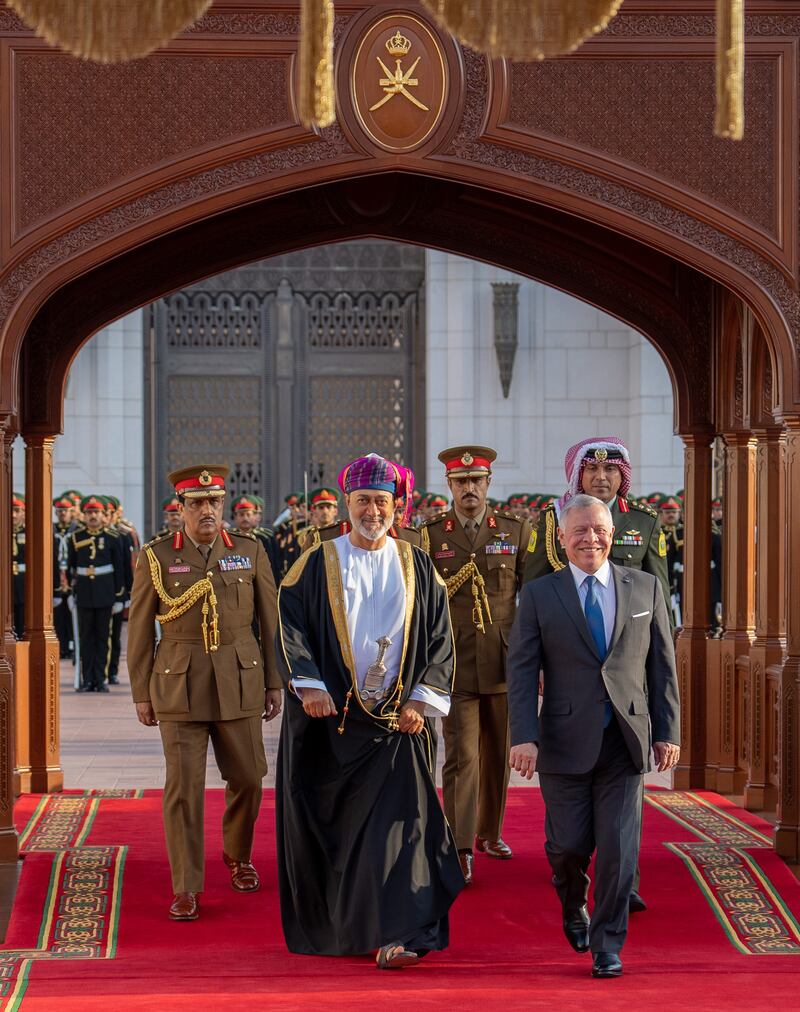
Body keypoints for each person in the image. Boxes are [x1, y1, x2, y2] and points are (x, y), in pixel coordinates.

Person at [276, 452, 463, 968]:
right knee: (344, 832)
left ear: (397, 507)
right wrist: (309, 685)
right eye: (364, 501)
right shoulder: (316, 560)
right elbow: (288, 624)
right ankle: (350, 926)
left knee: (402, 830)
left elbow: (441, 638)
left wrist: (423, 699)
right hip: (333, 724)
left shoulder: (417, 562)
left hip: (399, 723)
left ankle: (400, 934)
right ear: (347, 504)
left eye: (383, 501)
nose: (373, 511)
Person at [507, 494, 680, 979]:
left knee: (620, 850)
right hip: (562, 740)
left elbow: (663, 668)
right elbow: (521, 670)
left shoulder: (644, 587)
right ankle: (571, 903)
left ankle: (608, 944)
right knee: (568, 847)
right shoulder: (541, 594)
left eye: (599, 529)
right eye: (579, 531)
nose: (591, 539)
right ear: (562, 540)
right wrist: (524, 735)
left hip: (625, 740)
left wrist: (667, 731)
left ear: (612, 533)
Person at [127, 464, 281, 922]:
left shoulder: (250, 552)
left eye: (214, 502)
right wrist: (141, 691)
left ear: (223, 505)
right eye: (197, 503)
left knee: (250, 776)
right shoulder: (156, 557)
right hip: (179, 682)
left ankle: (237, 854)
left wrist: (275, 681)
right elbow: (139, 628)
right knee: (183, 790)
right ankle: (187, 886)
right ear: (181, 508)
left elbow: (270, 623)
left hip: (240, 677)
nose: (207, 510)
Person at [421, 445, 531, 885]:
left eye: (477, 481)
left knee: (498, 754)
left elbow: (532, 600)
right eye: (461, 481)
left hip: (505, 661)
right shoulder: (431, 536)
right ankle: (461, 844)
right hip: (455, 663)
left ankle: (490, 832)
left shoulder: (514, 530)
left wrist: (533, 659)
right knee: (463, 755)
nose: (470, 488)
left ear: (488, 484)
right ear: (449, 485)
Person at [67, 496, 126, 691]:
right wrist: (69, 592)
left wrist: (119, 596)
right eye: (89, 513)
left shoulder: (113, 537)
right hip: (84, 593)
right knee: (85, 638)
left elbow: (120, 569)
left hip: (105, 593)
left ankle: (100, 679)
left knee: (103, 638)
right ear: (83, 515)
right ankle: (87, 679)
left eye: (96, 512)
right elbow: (71, 568)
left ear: (103, 515)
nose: (93, 516)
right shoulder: (76, 538)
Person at [53, 495, 78, 660]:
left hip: (71, 575)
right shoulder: (51, 529)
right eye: (60, 510)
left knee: (72, 614)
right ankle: (61, 646)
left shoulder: (76, 530)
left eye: (65, 511)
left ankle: (72, 645)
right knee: (58, 615)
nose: (62, 514)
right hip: (56, 575)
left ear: (71, 512)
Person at [11, 494, 26, 638]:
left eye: (17, 510)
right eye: (11, 510)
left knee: (23, 624)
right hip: (6, 584)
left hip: (24, 584)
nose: (13, 514)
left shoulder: (30, 532)